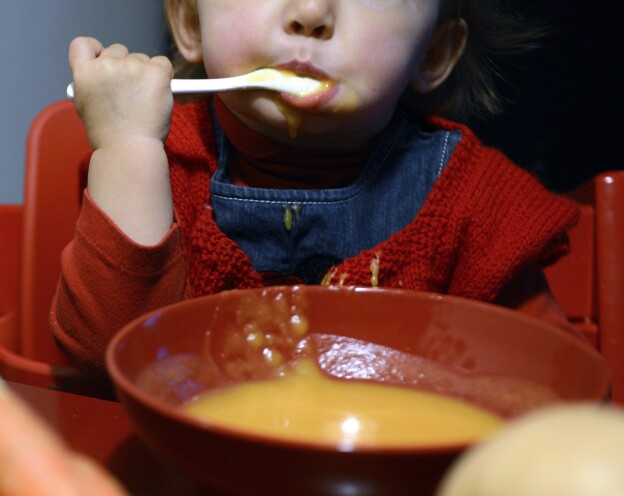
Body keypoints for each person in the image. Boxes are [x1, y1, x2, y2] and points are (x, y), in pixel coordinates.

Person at [53, 0, 581, 374]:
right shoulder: (152, 169)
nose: (311, 11)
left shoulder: (475, 203)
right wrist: (127, 150)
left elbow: (550, 396)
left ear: (434, 54)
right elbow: (105, 359)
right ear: (191, 21)